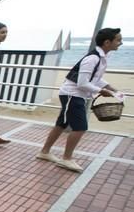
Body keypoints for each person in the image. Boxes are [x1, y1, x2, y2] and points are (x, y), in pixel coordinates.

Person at [36, 28, 122, 172]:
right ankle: (66, 159)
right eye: (118, 40)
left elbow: (96, 79)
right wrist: (101, 91)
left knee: (61, 124)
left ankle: (44, 152)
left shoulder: (100, 58)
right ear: (107, 42)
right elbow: (82, 83)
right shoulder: (93, 58)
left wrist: (110, 88)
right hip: (72, 95)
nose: (120, 43)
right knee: (80, 127)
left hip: (74, 95)